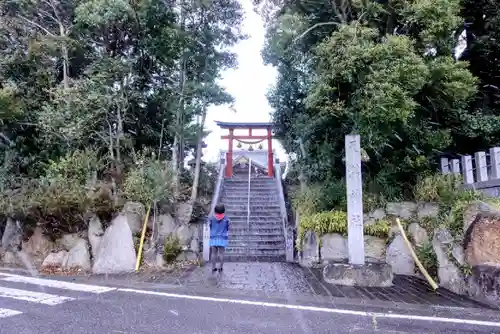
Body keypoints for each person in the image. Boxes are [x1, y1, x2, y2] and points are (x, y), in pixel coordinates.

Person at [209, 204, 230, 273]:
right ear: (223, 210)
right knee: (221, 253)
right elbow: (227, 228)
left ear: (215, 210)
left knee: (213, 253)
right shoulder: (226, 219)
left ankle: (213, 267)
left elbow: (210, 226)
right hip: (222, 238)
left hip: (213, 237)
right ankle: (220, 267)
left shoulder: (212, 218)